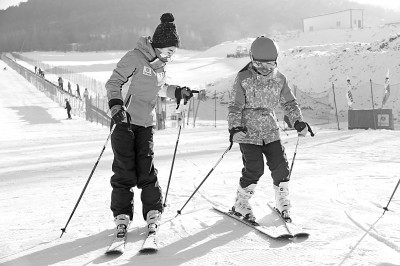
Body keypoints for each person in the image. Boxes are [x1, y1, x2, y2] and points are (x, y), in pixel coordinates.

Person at [105, 13, 193, 238]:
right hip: (124, 122)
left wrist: (177, 91)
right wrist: (116, 107)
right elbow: (114, 82)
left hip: (145, 124)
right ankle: (122, 215)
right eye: (171, 51)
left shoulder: (159, 66)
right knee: (124, 170)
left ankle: (153, 211)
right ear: (161, 45)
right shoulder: (134, 58)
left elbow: (160, 89)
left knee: (147, 169)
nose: (172, 55)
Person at [227, 36, 313, 222]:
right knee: (254, 169)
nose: (265, 70)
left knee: (281, 167)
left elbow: (289, 103)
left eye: (270, 65)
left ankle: (282, 200)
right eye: (259, 65)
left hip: (270, 130)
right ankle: (240, 203)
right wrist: (234, 128)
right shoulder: (243, 78)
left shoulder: (280, 79)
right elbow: (235, 106)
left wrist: (298, 121)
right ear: (251, 60)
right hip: (248, 132)